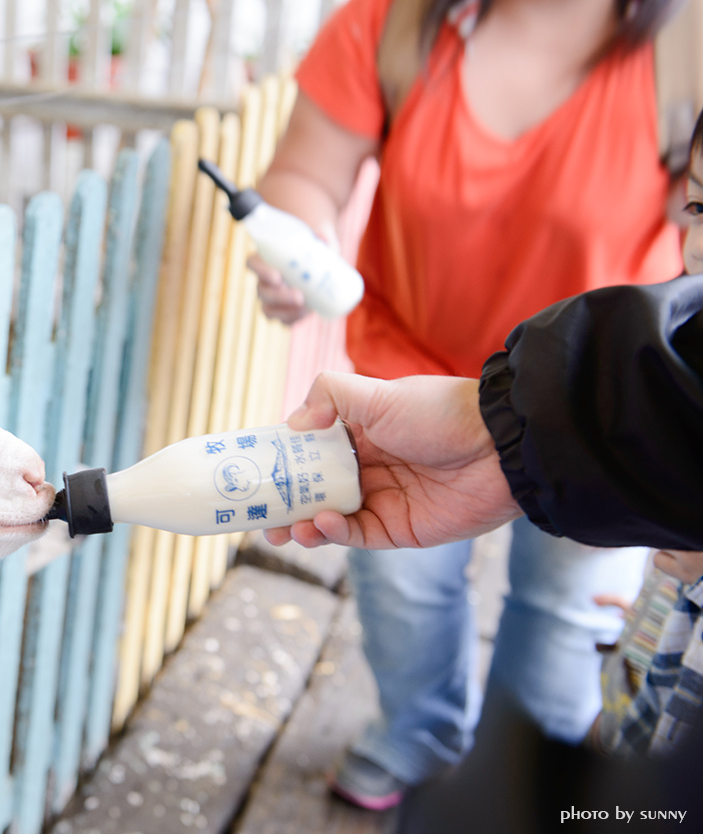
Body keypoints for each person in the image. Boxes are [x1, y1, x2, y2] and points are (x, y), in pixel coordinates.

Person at [252, 0, 689, 809]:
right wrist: (296, 245)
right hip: (407, 376)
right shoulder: (388, 25)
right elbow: (305, 174)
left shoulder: (687, 47)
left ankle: (529, 781)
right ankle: (422, 735)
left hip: (597, 413)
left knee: (561, 610)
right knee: (400, 584)